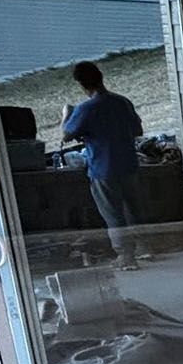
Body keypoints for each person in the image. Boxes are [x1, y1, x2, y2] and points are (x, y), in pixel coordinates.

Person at [59, 60, 148, 268]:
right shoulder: (122, 102)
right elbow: (138, 130)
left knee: (113, 214)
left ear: (81, 85)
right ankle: (145, 248)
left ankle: (126, 257)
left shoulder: (85, 109)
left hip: (103, 169)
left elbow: (66, 135)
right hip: (129, 164)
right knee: (135, 210)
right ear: (101, 77)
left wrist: (66, 115)